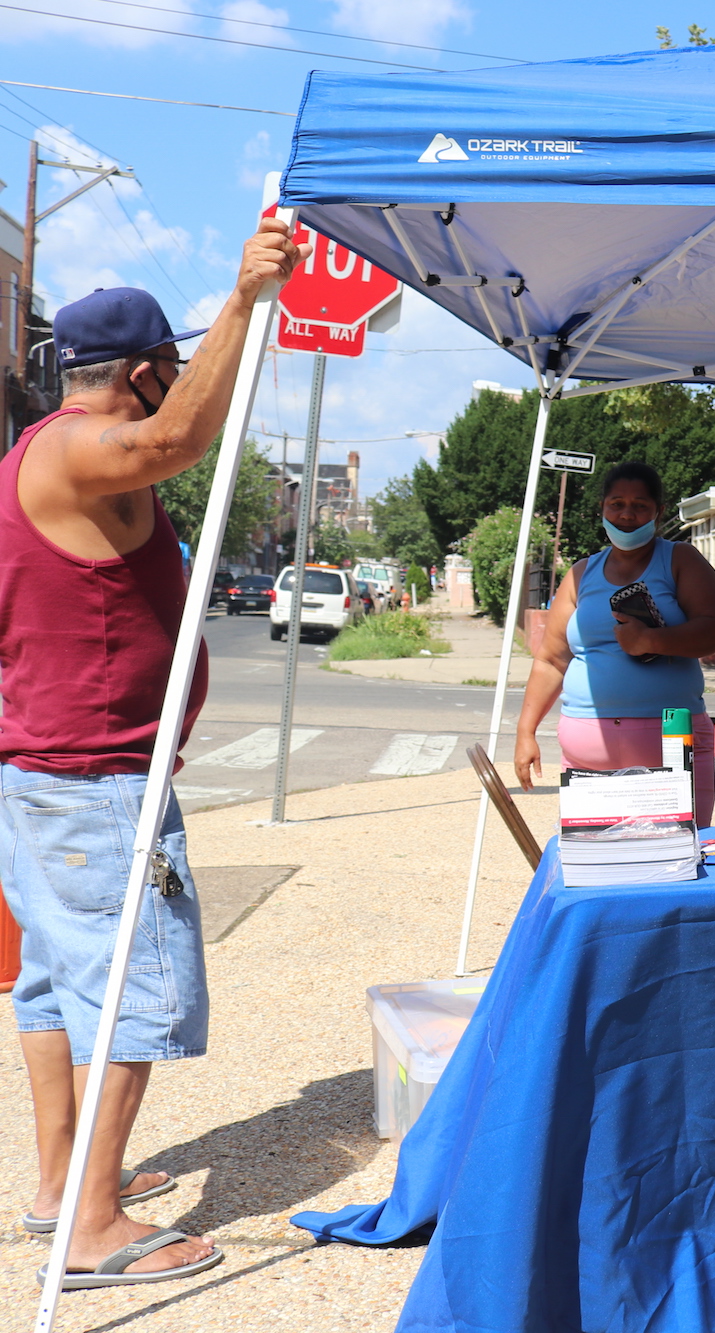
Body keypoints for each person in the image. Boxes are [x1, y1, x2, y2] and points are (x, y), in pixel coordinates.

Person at [0, 222, 302, 1289]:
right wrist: (244, 298)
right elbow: (175, 440)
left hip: (49, 775)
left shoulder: (34, 456)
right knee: (133, 985)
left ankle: (59, 1188)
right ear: (140, 371)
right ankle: (91, 1225)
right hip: (94, 783)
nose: (178, 380)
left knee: (53, 986)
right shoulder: (81, 448)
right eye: (167, 366)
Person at [514, 461, 715, 824]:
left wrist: (651, 639)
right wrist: (525, 732)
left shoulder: (679, 560)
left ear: (658, 512)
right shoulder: (581, 573)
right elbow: (551, 660)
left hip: (672, 749)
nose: (627, 514)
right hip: (585, 756)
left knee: (677, 865)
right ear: (602, 508)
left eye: (640, 505)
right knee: (596, 868)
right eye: (617, 504)